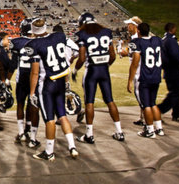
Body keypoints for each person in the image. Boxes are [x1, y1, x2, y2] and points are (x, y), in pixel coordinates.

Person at [27, 18, 78, 162]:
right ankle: (72, 147)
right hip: (61, 80)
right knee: (62, 116)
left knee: (49, 119)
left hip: (48, 84)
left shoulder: (34, 44)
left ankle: (49, 152)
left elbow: (35, 72)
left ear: (34, 31)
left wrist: (32, 93)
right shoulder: (59, 36)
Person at [71, 13, 124, 143]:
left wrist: (75, 70)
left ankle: (89, 134)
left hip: (92, 71)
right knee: (110, 100)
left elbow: (82, 58)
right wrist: (106, 66)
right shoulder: (106, 31)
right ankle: (119, 131)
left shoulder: (82, 34)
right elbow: (113, 55)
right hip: (104, 70)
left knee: (89, 102)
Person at [127, 23, 165, 138]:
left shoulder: (137, 43)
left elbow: (135, 62)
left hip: (143, 77)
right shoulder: (157, 40)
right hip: (156, 76)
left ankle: (149, 130)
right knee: (153, 103)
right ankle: (159, 128)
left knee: (146, 105)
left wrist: (129, 80)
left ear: (138, 31)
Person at [8, 18, 40, 148]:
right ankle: (33, 137)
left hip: (21, 78)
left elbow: (13, 65)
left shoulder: (16, 42)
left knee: (20, 104)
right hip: (34, 78)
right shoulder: (39, 42)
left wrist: (6, 79)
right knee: (33, 106)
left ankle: (21, 132)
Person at [158, 23, 179, 122]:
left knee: (177, 92)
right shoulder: (171, 40)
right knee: (177, 92)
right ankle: (159, 110)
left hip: (168, 71)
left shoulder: (163, 40)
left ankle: (177, 113)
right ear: (172, 29)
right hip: (175, 71)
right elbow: (176, 56)